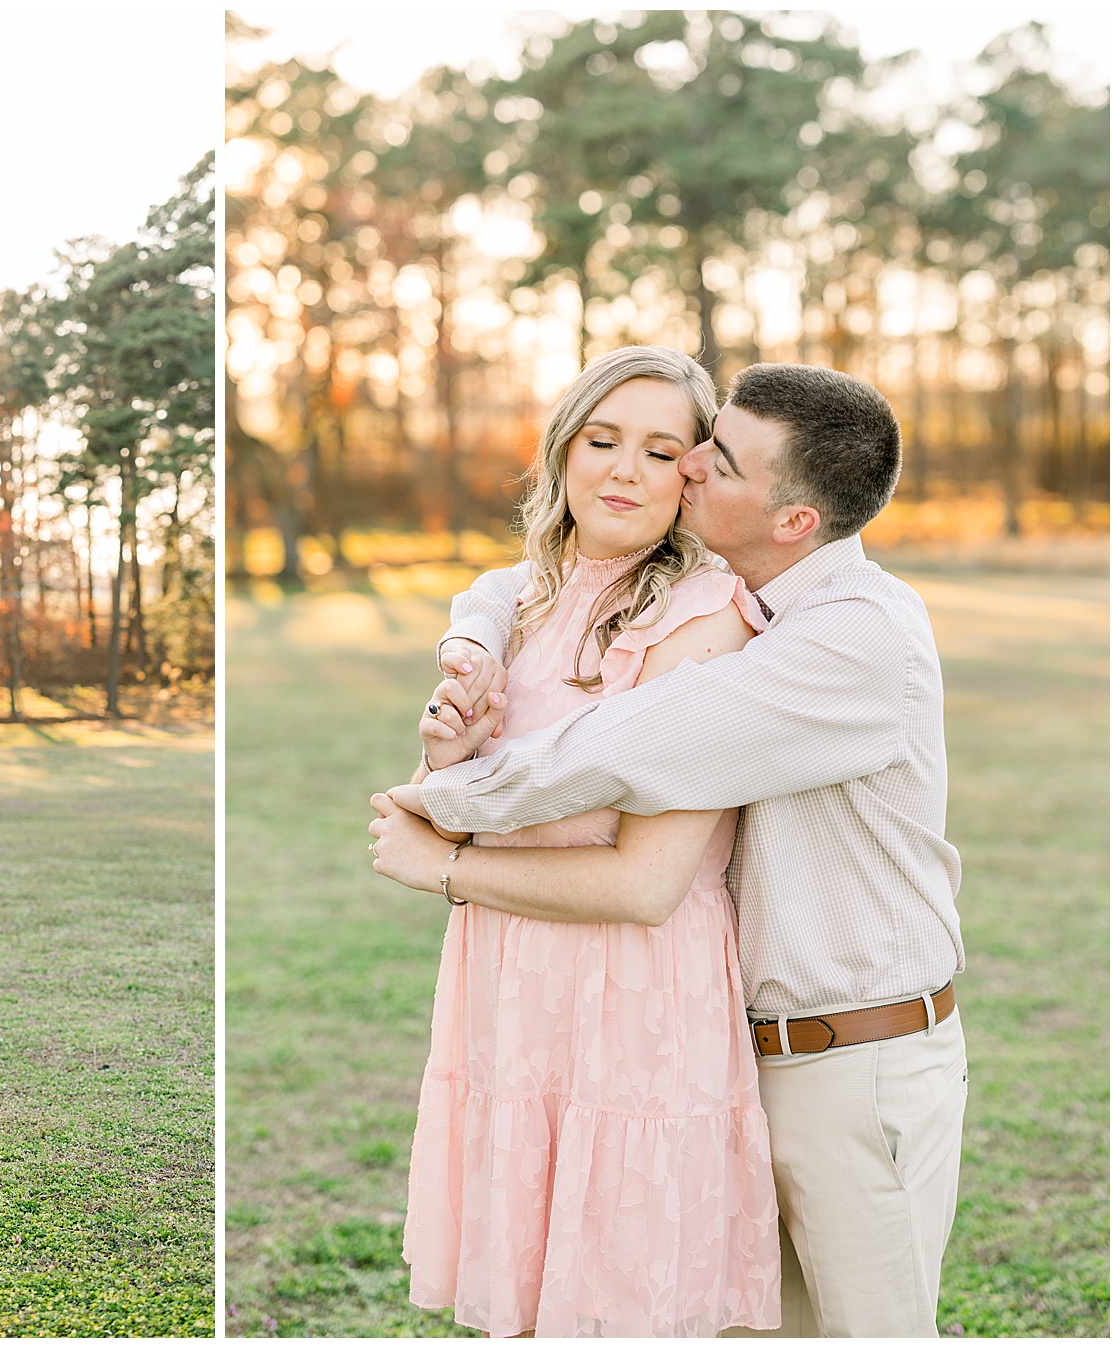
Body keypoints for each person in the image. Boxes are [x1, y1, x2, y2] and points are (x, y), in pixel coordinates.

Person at [385, 361, 967, 1337]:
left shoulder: (844, 636)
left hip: (857, 1054)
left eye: (706, 454)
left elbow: (629, 749)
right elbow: (521, 585)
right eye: (608, 439)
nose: (682, 465)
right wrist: (470, 657)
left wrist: (440, 823)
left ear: (792, 520)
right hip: (760, 1039)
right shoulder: (754, 596)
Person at [368, 345, 782, 1337]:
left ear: (693, 475)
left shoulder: (705, 618)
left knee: (617, 1299)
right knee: (523, 1293)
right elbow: (454, 798)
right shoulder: (523, 599)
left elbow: (651, 884)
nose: (623, 471)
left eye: (659, 450)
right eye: (603, 441)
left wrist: (454, 869)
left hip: (630, 995)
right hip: (511, 976)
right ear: (564, 451)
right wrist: (444, 753)